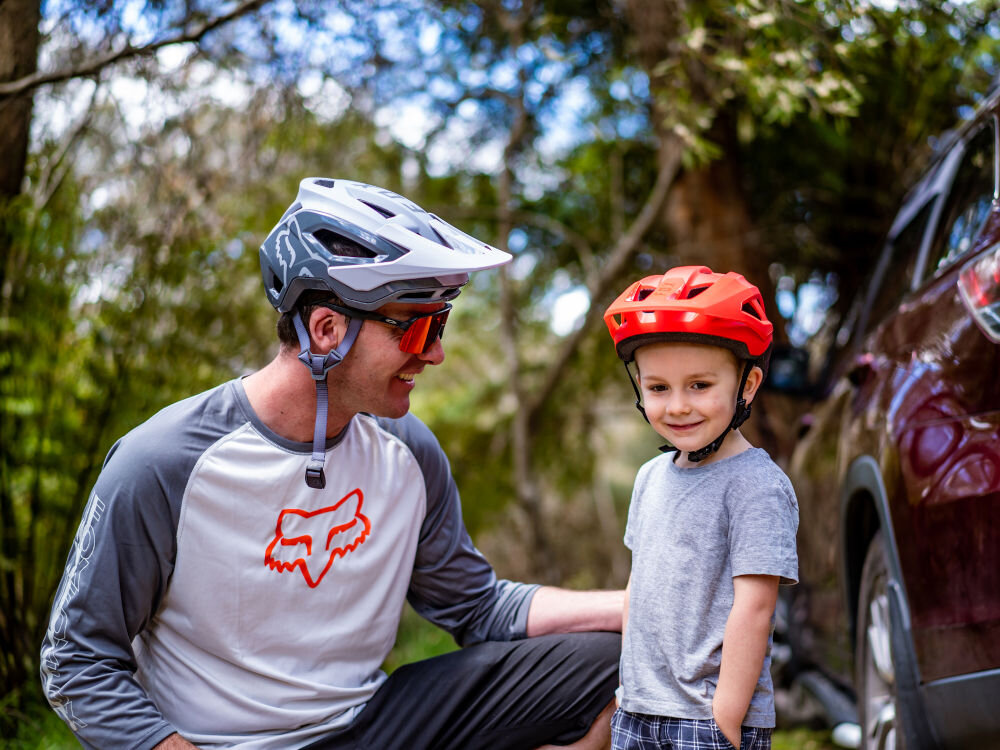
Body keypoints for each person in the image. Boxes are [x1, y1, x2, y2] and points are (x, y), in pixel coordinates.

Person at [40, 178, 623, 750]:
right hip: (222, 743)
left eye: (439, 325)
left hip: (371, 724)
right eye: (419, 326)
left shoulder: (409, 452)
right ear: (327, 330)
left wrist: (640, 607)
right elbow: (76, 662)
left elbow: (478, 607)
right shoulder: (163, 462)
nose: (436, 352)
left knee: (615, 657)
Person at [602, 266, 798, 750]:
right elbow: (638, 588)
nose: (678, 406)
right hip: (639, 710)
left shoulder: (756, 484)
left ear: (747, 386)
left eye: (699, 385)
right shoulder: (649, 478)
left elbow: (755, 607)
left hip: (706, 718)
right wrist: (630, 691)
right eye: (659, 388)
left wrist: (725, 719)